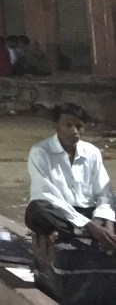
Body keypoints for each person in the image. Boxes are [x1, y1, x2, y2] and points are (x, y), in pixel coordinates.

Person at [25, 102, 116, 252]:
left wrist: (108, 225)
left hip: (90, 213)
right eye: (68, 125)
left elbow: (104, 192)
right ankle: (82, 232)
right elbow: (48, 196)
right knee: (36, 209)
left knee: (113, 201)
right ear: (56, 126)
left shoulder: (92, 152)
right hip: (60, 215)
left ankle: (72, 233)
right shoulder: (40, 152)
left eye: (79, 126)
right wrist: (91, 227)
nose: (75, 131)